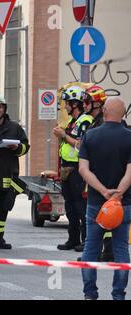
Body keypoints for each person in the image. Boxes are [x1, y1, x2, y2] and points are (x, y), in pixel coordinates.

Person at [78, 97, 131, 300]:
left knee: (90, 249)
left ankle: (90, 293)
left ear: (105, 111)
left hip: (96, 203)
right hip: (123, 204)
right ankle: (118, 295)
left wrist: (103, 191)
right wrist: (118, 193)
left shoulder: (90, 136)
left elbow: (83, 169)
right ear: (123, 114)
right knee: (121, 250)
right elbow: (130, 172)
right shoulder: (129, 137)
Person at [0, 93, 29, 249]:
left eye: (0, 107)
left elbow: (25, 147)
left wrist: (17, 147)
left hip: (7, 176)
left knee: (3, 211)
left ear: (4, 108)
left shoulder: (14, 127)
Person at [53, 86, 93, 251]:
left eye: (68, 103)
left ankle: (85, 240)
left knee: (80, 206)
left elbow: (80, 144)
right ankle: (73, 239)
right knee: (70, 206)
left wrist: (64, 136)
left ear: (76, 103)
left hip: (78, 169)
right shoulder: (72, 122)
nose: (66, 107)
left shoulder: (85, 121)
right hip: (67, 169)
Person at [81, 85, 113, 261]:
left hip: (103, 178)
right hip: (96, 177)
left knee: (103, 214)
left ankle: (106, 252)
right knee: (101, 215)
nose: (84, 105)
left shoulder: (102, 124)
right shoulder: (94, 122)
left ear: (98, 105)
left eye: (87, 102)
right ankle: (104, 251)